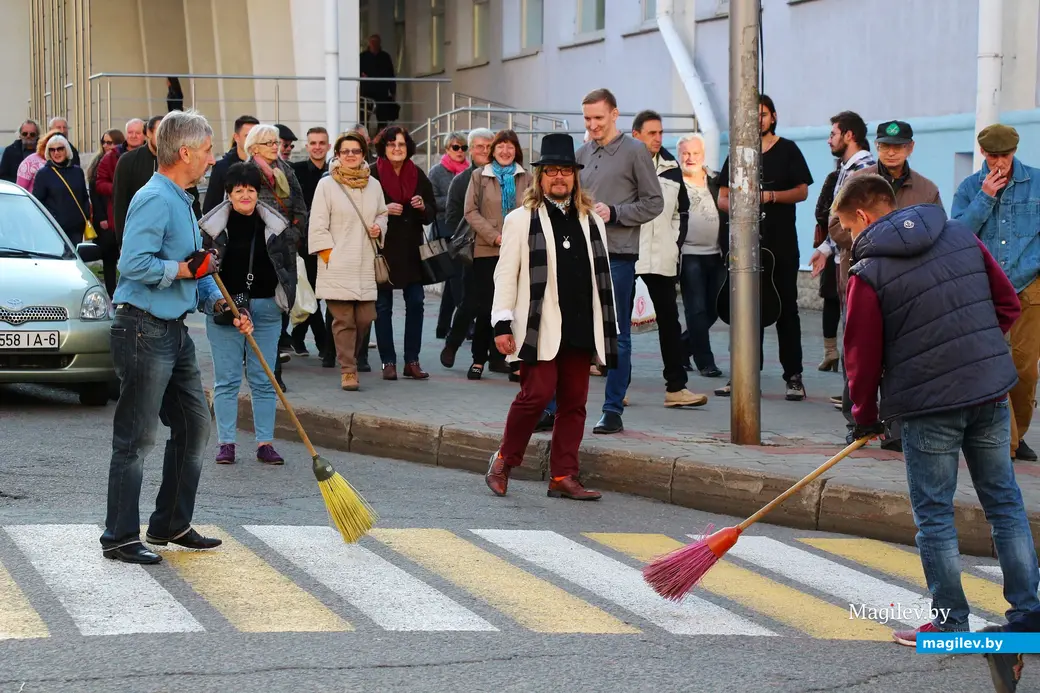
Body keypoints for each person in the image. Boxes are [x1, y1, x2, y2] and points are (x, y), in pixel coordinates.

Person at [836, 174, 1039, 646]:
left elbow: (860, 357)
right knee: (1004, 502)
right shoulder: (960, 234)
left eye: (847, 227)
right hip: (989, 391)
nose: (849, 238)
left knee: (934, 513)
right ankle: (1030, 613)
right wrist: (983, 349)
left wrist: (864, 417)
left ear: (864, 216)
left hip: (928, 407)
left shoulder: (866, 273)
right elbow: (1007, 304)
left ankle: (950, 621)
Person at [103, 109, 252, 565]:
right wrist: (187, 269)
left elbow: (196, 269)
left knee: (194, 427)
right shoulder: (154, 198)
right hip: (143, 328)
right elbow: (133, 265)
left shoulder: (183, 197)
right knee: (136, 438)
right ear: (185, 152)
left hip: (173, 330)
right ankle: (120, 537)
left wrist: (222, 304)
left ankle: (170, 523)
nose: (212, 159)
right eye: (207, 151)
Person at [485, 133, 617, 501]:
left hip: (580, 324)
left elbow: (601, 277)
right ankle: (503, 461)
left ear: (575, 177)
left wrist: (607, 328)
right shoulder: (520, 219)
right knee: (536, 395)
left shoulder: (592, 220)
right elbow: (505, 275)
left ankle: (563, 476)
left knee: (575, 402)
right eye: (551, 171)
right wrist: (501, 323)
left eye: (565, 171)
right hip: (538, 325)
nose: (559, 177)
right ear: (540, 177)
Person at [574, 88, 664, 434]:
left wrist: (615, 213)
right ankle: (557, 406)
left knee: (617, 335)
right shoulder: (581, 152)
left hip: (618, 257)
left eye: (598, 117)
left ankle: (612, 409)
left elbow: (654, 203)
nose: (593, 124)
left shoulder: (635, 151)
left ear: (615, 114)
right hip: (580, 255)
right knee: (570, 332)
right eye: (587, 119)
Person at [716, 95, 813, 401]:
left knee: (787, 309)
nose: (757, 120)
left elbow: (802, 191)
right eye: (751, 115)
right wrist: (739, 207)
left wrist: (768, 197)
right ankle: (744, 376)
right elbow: (721, 196)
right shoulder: (738, 153)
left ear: (773, 117)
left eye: (763, 114)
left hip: (782, 244)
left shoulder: (788, 150)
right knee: (746, 309)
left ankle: (794, 376)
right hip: (746, 245)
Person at [953, 124, 1040, 462]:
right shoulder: (969, 188)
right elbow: (958, 232)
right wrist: (985, 197)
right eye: (992, 156)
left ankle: (1017, 431)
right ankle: (1009, 443)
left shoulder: (1036, 182)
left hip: (1028, 284)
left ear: (1014, 152)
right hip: (984, 284)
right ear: (983, 154)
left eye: (1004, 156)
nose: (998, 163)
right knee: (993, 365)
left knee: (1024, 369)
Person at [199, 162, 296, 465]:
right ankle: (226, 443)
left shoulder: (274, 226)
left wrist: (284, 300)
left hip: (266, 310)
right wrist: (221, 305)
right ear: (228, 194)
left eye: (251, 190)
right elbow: (202, 273)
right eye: (238, 190)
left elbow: (288, 267)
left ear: (258, 193)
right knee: (226, 380)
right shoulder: (212, 230)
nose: (245, 195)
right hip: (225, 310)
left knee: (264, 378)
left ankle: (265, 442)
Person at [630, 111, 708, 408]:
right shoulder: (625, 164)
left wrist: (674, 245)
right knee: (621, 328)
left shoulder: (671, 167)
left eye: (660, 133)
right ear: (636, 134)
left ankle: (676, 387)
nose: (658, 138)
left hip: (662, 260)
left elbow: (681, 212)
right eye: (652, 133)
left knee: (670, 325)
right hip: (630, 258)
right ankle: (617, 389)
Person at [309, 131, 388, 391]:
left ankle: (350, 357)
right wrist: (328, 254)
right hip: (338, 264)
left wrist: (379, 226)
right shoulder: (327, 185)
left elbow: (382, 213)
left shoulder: (373, 184)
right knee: (343, 320)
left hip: (365, 263)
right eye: (346, 152)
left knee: (365, 318)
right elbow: (317, 224)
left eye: (356, 151)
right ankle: (348, 370)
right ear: (338, 155)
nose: (351, 156)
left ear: (364, 154)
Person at [459, 129, 530, 380]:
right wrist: (494, 236)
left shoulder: (527, 177)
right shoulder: (480, 176)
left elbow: (533, 209)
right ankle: (479, 358)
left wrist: (514, 238)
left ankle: (514, 360)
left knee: (517, 307)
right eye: (500, 146)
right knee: (487, 305)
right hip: (487, 249)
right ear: (493, 150)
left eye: (510, 146)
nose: (505, 151)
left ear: (516, 150)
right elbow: (470, 211)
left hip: (519, 251)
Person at [243, 123, 308, 386]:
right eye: (269, 142)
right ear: (254, 147)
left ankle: (271, 364)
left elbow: (301, 207)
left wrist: (292, 235)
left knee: (282, 304)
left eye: (275, 142)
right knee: (259, 307)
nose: (275, 146)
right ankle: (268, 372)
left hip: (286, 250)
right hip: (258, 251)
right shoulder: (247, 172)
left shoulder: (286, 171)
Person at [369, 125, 437, 380]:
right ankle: (388, 362)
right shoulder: (372, 174)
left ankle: (412, 361)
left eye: (401, 144)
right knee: (383, 307)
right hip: (383, 251)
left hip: (411, 251)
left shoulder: (417, 174)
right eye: (391, 144)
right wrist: (384, 209)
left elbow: (432, 212)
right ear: (383, 148)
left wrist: (421, 207)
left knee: (417, 303)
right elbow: (364, 212)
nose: (397, 149)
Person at [440, 128, 495, 367]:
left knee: (495, 306)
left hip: (497, 249)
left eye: (488, 146)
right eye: (479, 146)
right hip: (472, 252)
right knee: (470, 302)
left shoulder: (503, 175)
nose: (484, 151)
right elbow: (451, 218)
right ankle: (452, 343)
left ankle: (492, 357)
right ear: (470, 150)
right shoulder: (462, 180)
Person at [676, 132, 727, 378]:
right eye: (685, 153)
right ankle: (705, 361)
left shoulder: (717, 180)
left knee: (716, 306)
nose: (690, 158)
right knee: (695, 309)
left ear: (703, 155)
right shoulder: (673, 183)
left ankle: (681, 347)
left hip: (716, 254)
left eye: (695, 153)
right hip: (688, 254)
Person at [113, 115, 203, 241]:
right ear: (148, 133)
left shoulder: (180, 160)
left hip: (174, 237)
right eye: (160, 133)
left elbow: (192, 200)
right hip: (139, 234)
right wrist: (122, 241)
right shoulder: (128, 161)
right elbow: (120, 203)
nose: (165, 138)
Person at [289, 126, 332, 358]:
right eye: (313, 143)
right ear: (307, 146)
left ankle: (297, 335)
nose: (317, 147)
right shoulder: (295, 171)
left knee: (321, 292)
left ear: (328, 146)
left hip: (329, 241)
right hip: (304, 242)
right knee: (312, 291)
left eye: (321, 143)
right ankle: (323, 342)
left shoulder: (335, 172)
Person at [428, 131, 471, 339]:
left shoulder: (471, 171)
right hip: (446, 230)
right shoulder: (437, 172)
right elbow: (432, 201)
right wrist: (455, 199)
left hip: (466, 230)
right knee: (456, 278)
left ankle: (442, 326)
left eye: (464, 148)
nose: (460, 152)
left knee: (453, 278)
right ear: (447, 149)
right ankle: (466, 323)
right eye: (456, 147)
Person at [86, 128, 126, 295]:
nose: (105, 145)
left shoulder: (121, 159)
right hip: (104, 216)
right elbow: (95, 192)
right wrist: (101, 217)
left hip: (119, 213)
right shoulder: (98, 162)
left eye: (109, 142)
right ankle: (111, 291)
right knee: (109, 258)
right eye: (104, 142)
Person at [31, 135, 91, 245]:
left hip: (76, 227)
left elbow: (84, 196)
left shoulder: (77, 172)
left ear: (66, 150)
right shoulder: (43, 174)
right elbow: (38, 201)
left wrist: (85, 215)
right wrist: (52, 218)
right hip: (55, 228)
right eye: (52, 150)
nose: (56, 153)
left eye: (60, 149)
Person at [203, 115, 259, 214]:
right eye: (248, 136)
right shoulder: (222, 167)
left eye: (257, 137)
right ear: (236, 137)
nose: (253, 141)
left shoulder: (266, 166)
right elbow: (210, 207)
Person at [360, 34, 398, 132]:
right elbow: (358, 73)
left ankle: (381, 139)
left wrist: (393, 91)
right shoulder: (363, 57)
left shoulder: (385, 57)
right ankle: (365, 138)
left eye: (376, 42)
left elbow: (390, 75)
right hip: (367, 92)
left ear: (379, 43)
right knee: (364, 118)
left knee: (382, 118)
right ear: (369, 43)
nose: (374, 44)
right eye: (372, 42)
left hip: (382, 92)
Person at [16, 128, 61, 193]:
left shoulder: (68, 164)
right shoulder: (30, 162)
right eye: (52, 147)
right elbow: (20, 192)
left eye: (60, 148)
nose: (56, 151)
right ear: (45, 144)